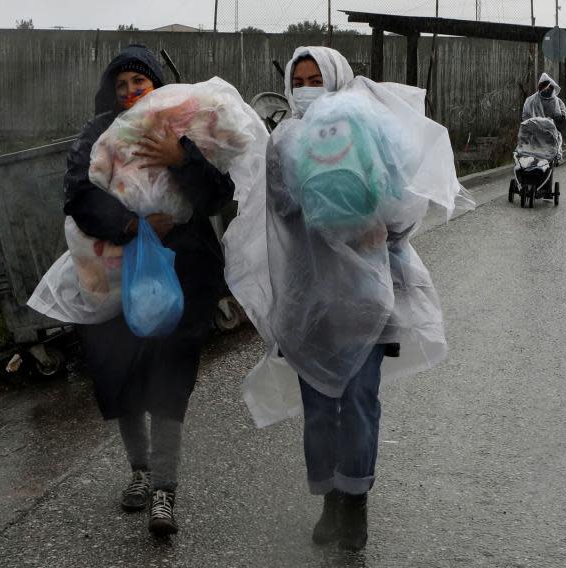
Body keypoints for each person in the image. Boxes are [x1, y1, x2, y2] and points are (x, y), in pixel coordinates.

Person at [226, 47, 466, 552]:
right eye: (301, 79)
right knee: (318, 407)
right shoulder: (284, 142)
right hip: (309, 299)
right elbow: (280, 213)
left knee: (358, 401)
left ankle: (354, 501)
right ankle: (329, 497)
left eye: (317, 77)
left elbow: (403, 208)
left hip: (366, 297)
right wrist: (322, 202)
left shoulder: (369, 126)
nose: (309, 88)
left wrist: (378, 224)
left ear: (336, 78)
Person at [63, 44, 234, 537]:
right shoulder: (98, 133)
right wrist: (134, 226)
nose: (131, 91)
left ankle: (165, 489)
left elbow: (219, 194)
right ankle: (139, 471)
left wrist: (181, 157)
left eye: (140, 82)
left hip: (183, 272)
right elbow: (78, 192)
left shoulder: (186, 126)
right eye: (121, 86)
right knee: (122, 376)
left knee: (169, 379)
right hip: (115, 272)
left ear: (158, 86)